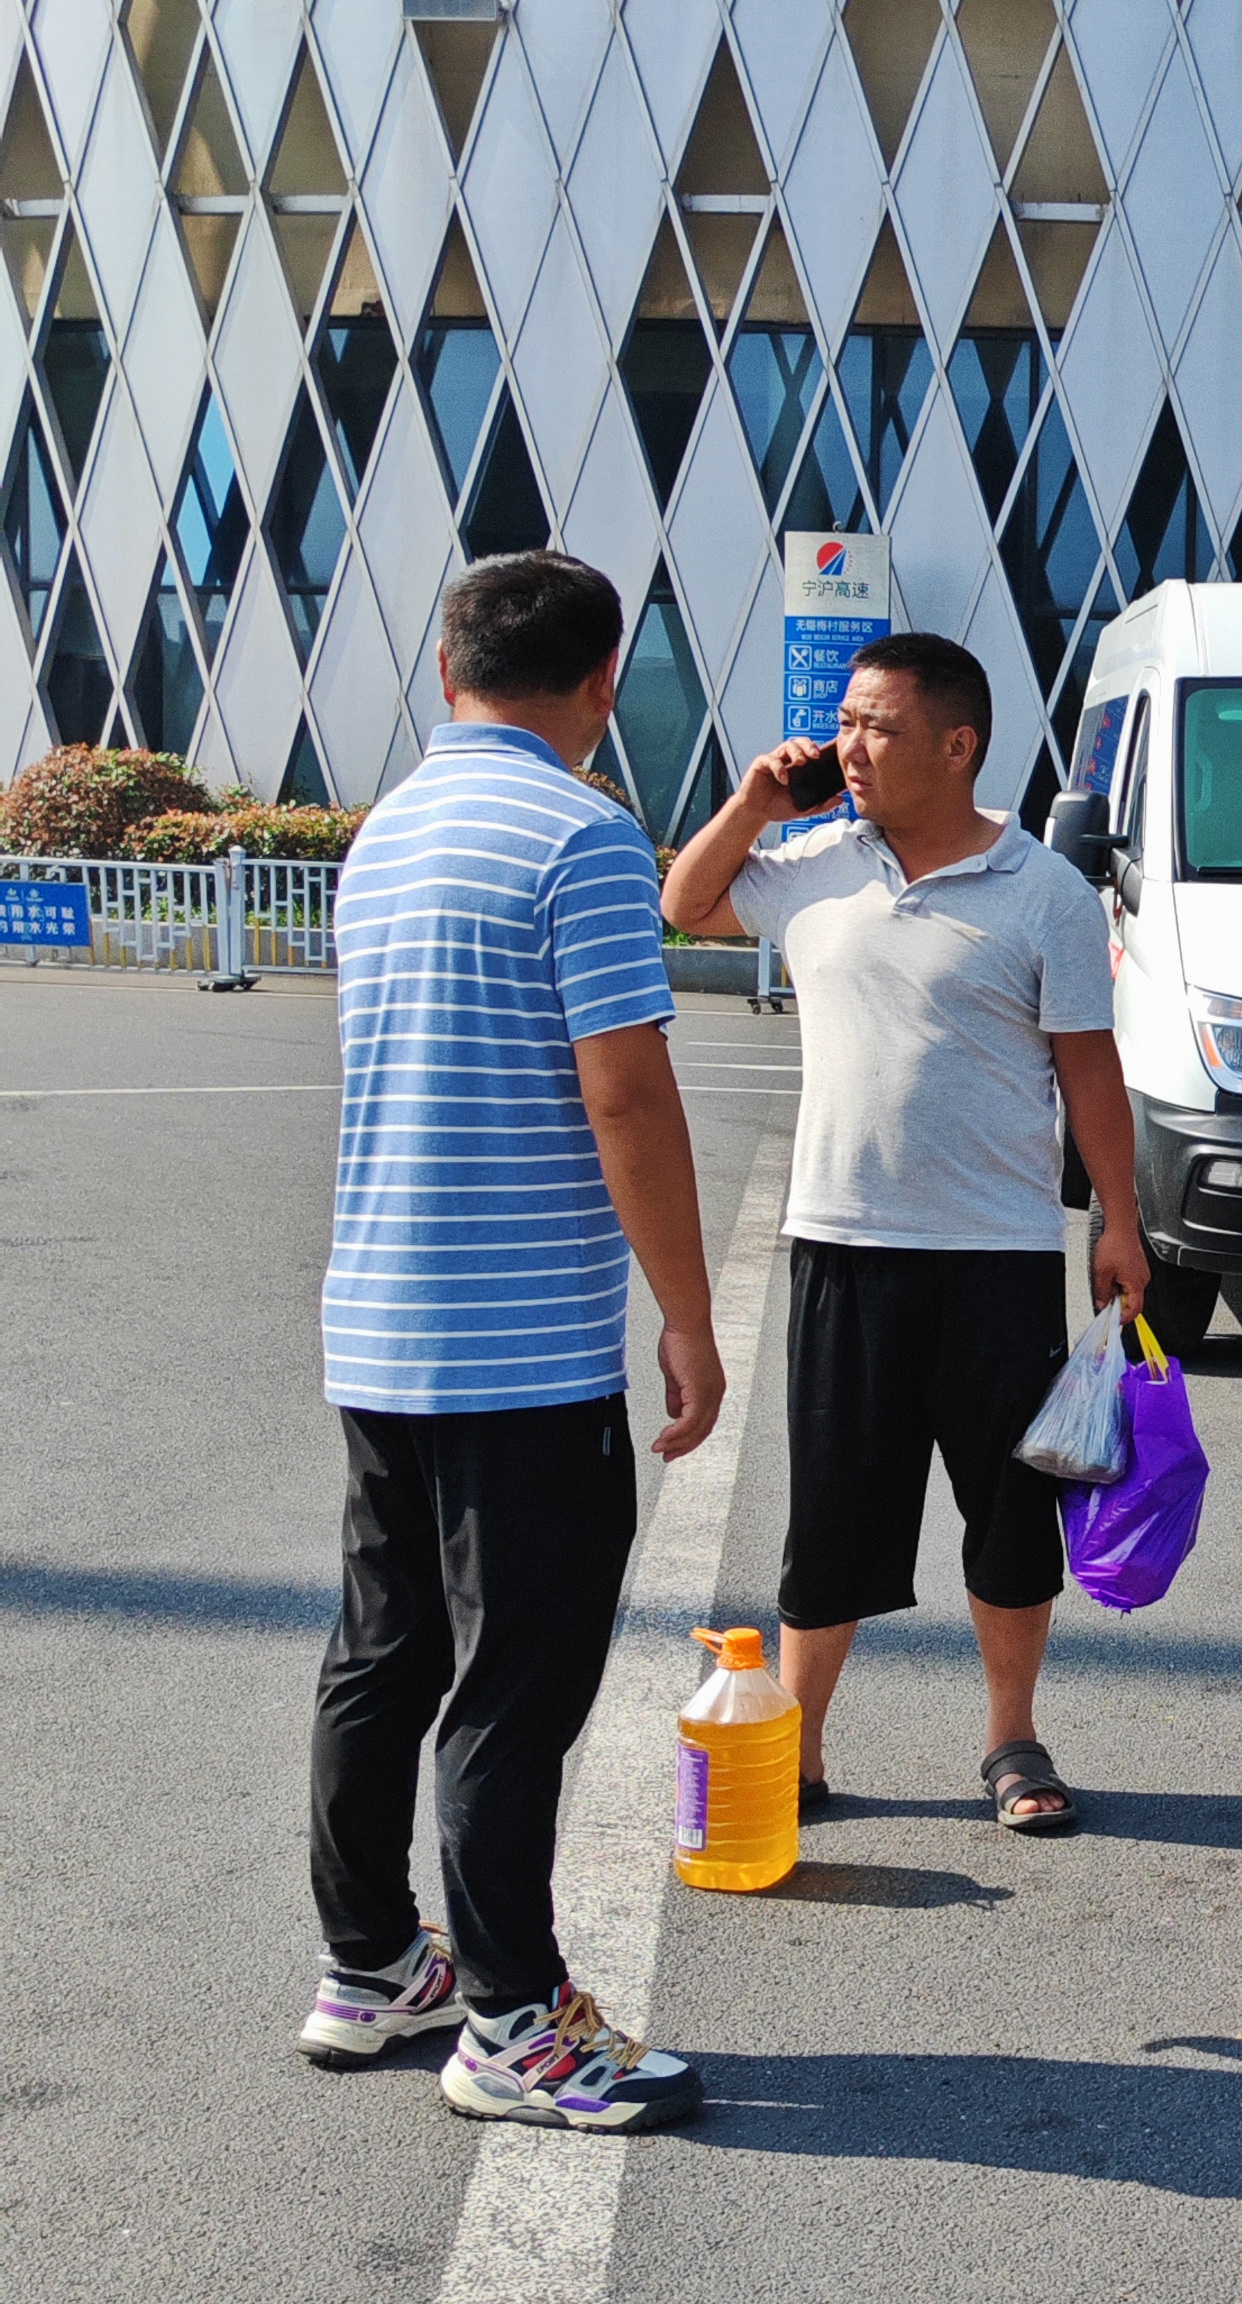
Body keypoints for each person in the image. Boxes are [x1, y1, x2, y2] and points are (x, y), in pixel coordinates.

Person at [301, 552, 721, 2134]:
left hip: (381, 1327)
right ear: (603, 679)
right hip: (520, 1351)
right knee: (515, 1689)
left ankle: (367, 1967)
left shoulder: (388, 831)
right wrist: (684, 1314)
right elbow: (624, 1090)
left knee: (384, 1652)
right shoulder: (582, 834)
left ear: (444, 663)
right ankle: (512, 2018)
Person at [659, 633, 1150, 1835]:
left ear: (958, 744)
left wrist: (1120, 1228)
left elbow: (1092, 1074)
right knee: (832, 1511)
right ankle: (803, 1748)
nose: (848, 744)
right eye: (845, 720)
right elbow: (690, 905)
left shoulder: (1044, 893)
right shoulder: (817, 860)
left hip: (994, 1257)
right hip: (842, 1247)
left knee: (1010, 1516)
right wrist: (756, 799)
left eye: (876, 724)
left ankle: (1011, 1741)